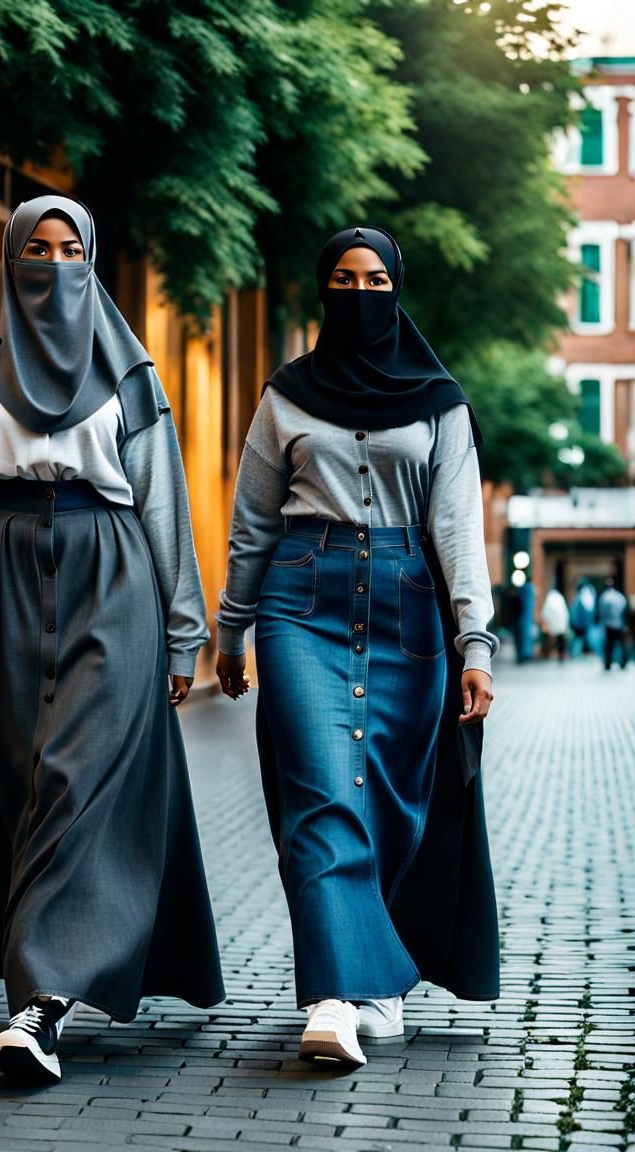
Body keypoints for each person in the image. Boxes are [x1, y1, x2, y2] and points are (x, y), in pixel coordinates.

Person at [0, 195, 224, 1084]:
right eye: (38, 249)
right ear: (10, 256)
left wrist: (186, 636)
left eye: (72, 251)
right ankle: (43, 978)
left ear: (92, 262)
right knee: (17, 783)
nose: (55, 265)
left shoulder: (132, 368)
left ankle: (40, 1003)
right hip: (3, 581)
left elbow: (165, 508)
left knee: (81, 778)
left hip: (113, 580)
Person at [216, 226, 500, 1069]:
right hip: (303, 595)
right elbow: (253, 519)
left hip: (412, 604)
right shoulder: (288, 396)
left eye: (376, 279)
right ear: (322, 290)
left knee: (395, 797)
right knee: (320, 789)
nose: (361, 291)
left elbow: (457, 526)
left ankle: (379, 980)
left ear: (398, 289)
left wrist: (475, 644)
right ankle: (334, 996)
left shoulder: (440, 401)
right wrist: (231, 629)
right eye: (344, 277)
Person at [596, 576, 629, 670]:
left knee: (609, 646)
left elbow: (602, 612)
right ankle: (623, 663)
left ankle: (608, 664)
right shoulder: (619, 596)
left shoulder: (604, 597)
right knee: (621, 645)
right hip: (620, 625)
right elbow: (625, 610)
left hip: (609, 625)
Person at [540, 587, 569, 661]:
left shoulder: (549, 599)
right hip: (561, 624)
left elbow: (545, 612)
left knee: (549, 639)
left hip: (552, 623)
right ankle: (561, 654)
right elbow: (566, 612)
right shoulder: (560, 598)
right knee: (561, 640)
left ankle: (547, 653)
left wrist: (545, 621)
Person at [569, 580, 596, 657]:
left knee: (579, 639)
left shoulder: (579, 598)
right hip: (581, 624)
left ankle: (575, 654)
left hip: (580, 624)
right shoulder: (583, 598)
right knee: (580, 639)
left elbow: (575, 613)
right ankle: (575, 654)